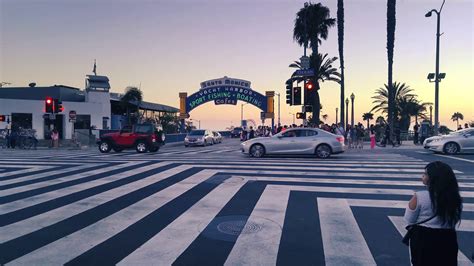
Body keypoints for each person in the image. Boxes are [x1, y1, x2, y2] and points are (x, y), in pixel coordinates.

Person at [404, 161, 462, 266]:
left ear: (433, 178)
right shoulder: (455, 198)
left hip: (423, 238)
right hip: (448, 238)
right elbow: (454, 219)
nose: (423, 176)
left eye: (426, 174)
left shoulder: (419, 197)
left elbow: (409, 220)